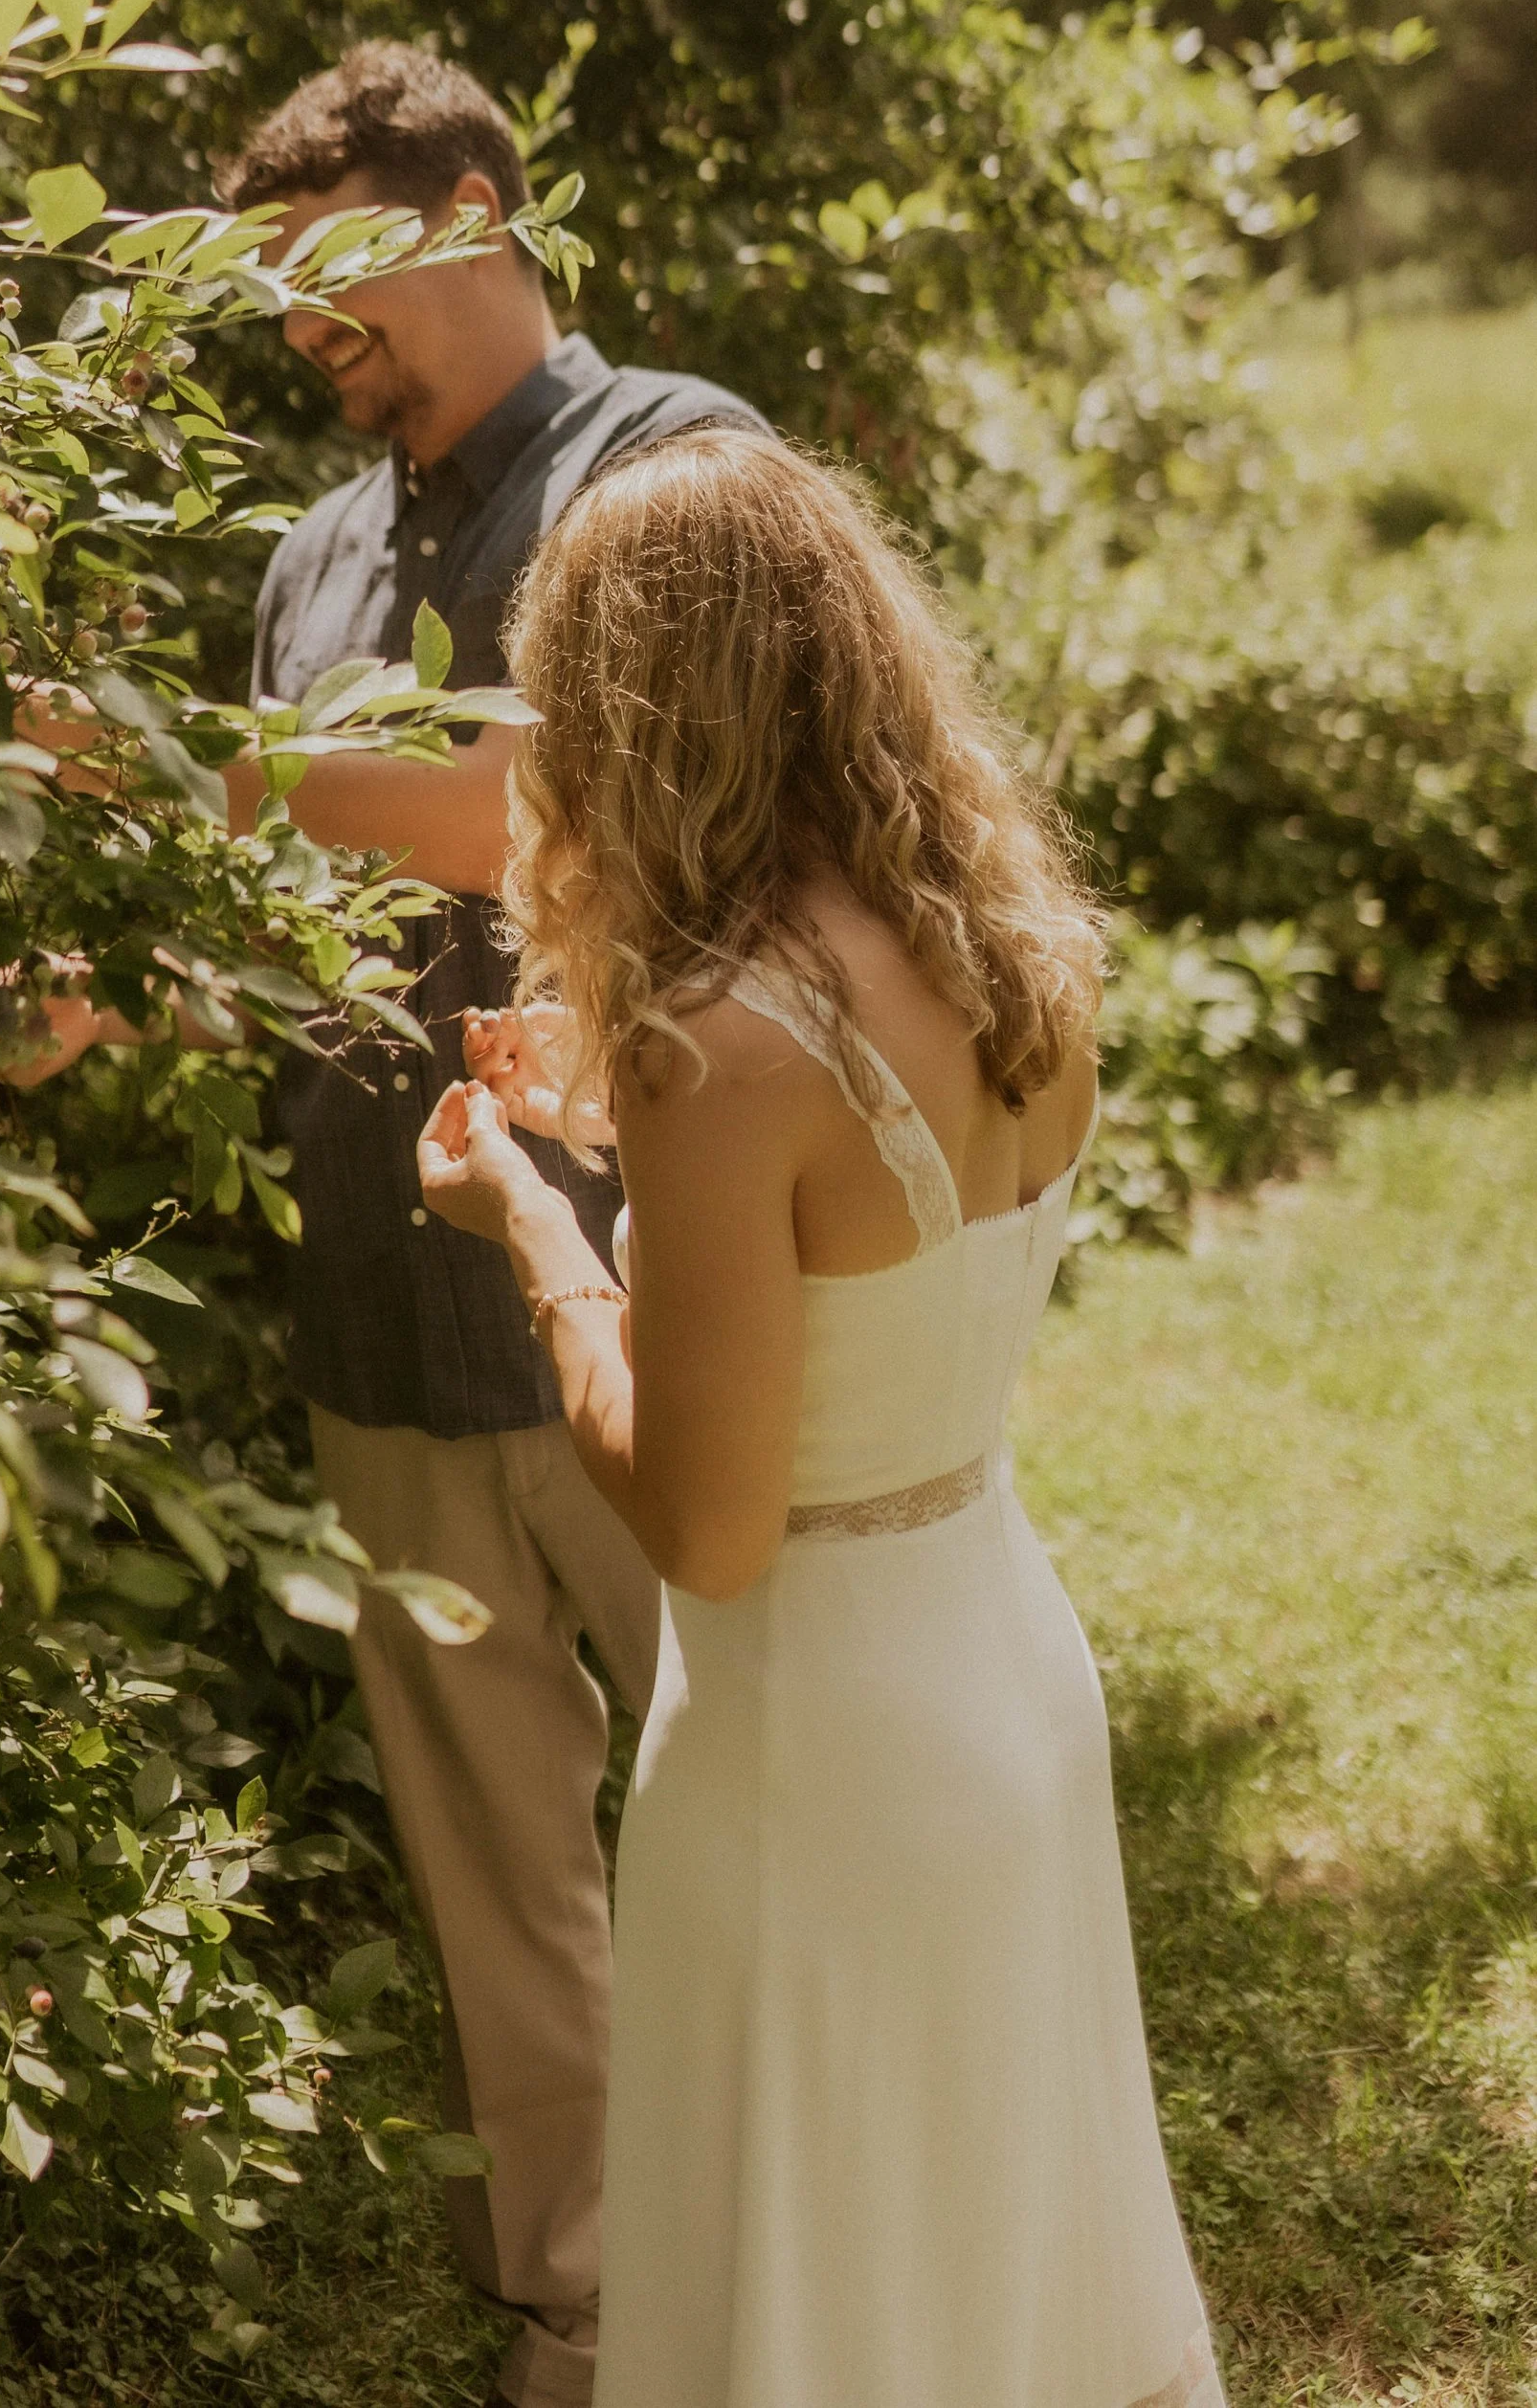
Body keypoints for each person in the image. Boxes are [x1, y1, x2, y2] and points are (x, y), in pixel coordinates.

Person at [0, 43, 759, 2408]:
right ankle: (586, 2327)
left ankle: (796, 2283)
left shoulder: (676, 475)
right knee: (502, 1890)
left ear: (478, 208)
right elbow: (281, 901)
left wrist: (174, 753)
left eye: (341, 290)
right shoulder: (307, 562)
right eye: (285, 313)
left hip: (652, 1287)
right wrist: (101, 1002)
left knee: (753, 1817)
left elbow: (532, 820)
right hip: (379, 1308)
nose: (316, 347)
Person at [415, 424, 1224, 2408]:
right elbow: (883, 1242)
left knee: (819, 2296)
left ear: (637, 711)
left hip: (813, 1764)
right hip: (1000, 1683)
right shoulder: (1010, 950)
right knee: (985, 2265)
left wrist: (529, 1220)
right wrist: (603, 1120)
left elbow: (704, 1524)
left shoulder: (723, 1043)